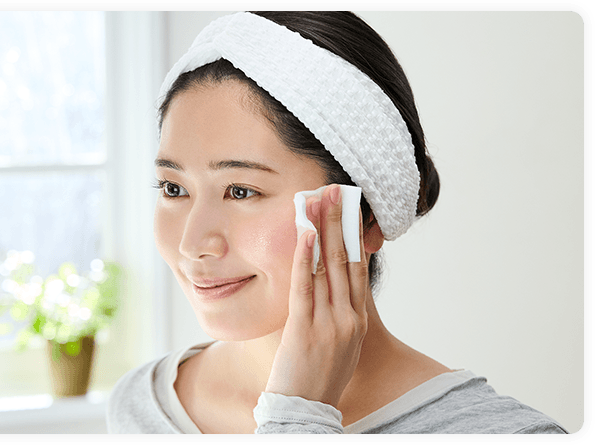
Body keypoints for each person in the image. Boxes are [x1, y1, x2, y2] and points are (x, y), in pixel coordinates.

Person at [106, 11, 566, 434]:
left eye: (241, 191)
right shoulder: (142, 405)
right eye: (173, 188)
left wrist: (300, 415)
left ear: (365, 219)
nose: (192, 244)